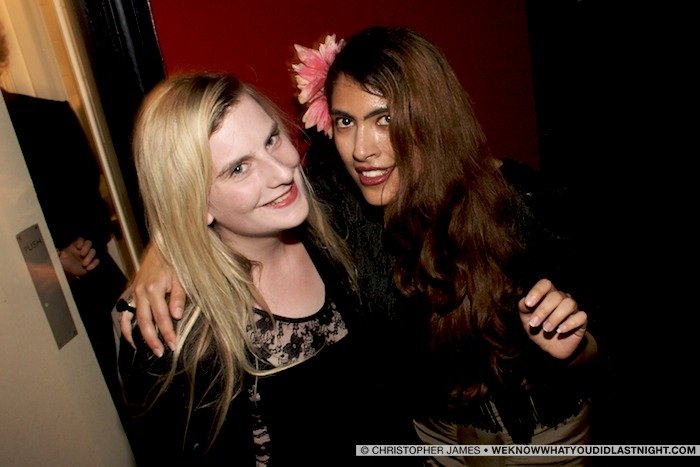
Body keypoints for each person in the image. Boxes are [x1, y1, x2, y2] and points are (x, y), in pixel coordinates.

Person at [122, 27, 598, 466]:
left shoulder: (523, 204)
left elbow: (594, 342)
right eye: (346, 121)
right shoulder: (338, 208)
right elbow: (205, 199)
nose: (361, 149)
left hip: (538, 442)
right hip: (430, 443)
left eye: (384, 119)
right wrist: (167, 247)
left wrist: (574, 348)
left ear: (429, 116)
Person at [118, 71, 388, 465]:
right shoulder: (174, 336)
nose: (283, 171)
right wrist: (169, 240)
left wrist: (164, 244)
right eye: (238, 169)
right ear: (194, 202)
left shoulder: (341, 217)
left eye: (271, 139)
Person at [1, 22, 128, 419]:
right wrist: (54, 264)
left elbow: (94, 206)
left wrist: (77, 254)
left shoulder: (50, 118)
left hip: (87, 299)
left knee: (120, 410)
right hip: (16, 325)